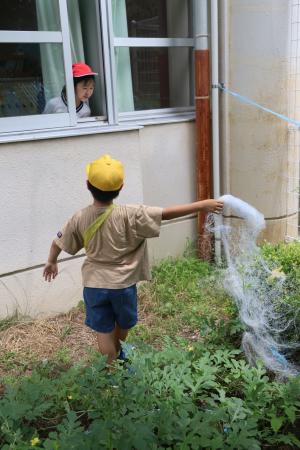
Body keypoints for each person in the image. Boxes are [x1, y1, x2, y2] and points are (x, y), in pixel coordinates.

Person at [43, 154, 223, 365]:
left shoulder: (80, 217)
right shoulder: (131, 214)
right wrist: (202, 205)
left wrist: (51, 261)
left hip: (94, 285)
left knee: (103, 330)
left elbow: (57, 242)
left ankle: (110, 367)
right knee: (123, 323)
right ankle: (117, 358)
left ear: (87, 185)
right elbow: (166, 214)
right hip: (123, 284)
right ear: (121, 187)